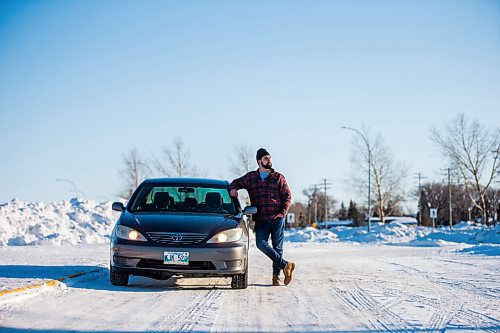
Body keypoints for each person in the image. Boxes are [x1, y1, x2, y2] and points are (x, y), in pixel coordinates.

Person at [229, 148, 295, 286]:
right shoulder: (251, 177)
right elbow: (235, 182)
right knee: (260, 244)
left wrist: (282, 212)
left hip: (277, 219)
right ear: (259, 161)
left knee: (278, 248)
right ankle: (285, 265)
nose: (269, 160)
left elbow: (287, 196)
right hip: (261, 219)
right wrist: (233, 189)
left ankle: (276, 277)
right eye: (266, 158)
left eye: (269, 158)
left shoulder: (278, 177)